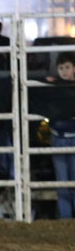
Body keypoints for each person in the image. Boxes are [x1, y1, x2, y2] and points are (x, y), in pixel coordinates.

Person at [46, 52, 75, 218]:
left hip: (68, 136)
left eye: (67, 67)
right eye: (61, 68)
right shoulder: (54, 87)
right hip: (59, 136)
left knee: (69, 179)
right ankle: (66, 219)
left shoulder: (55, 87)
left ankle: (68, 218)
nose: (64, 71)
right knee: (62, 180)